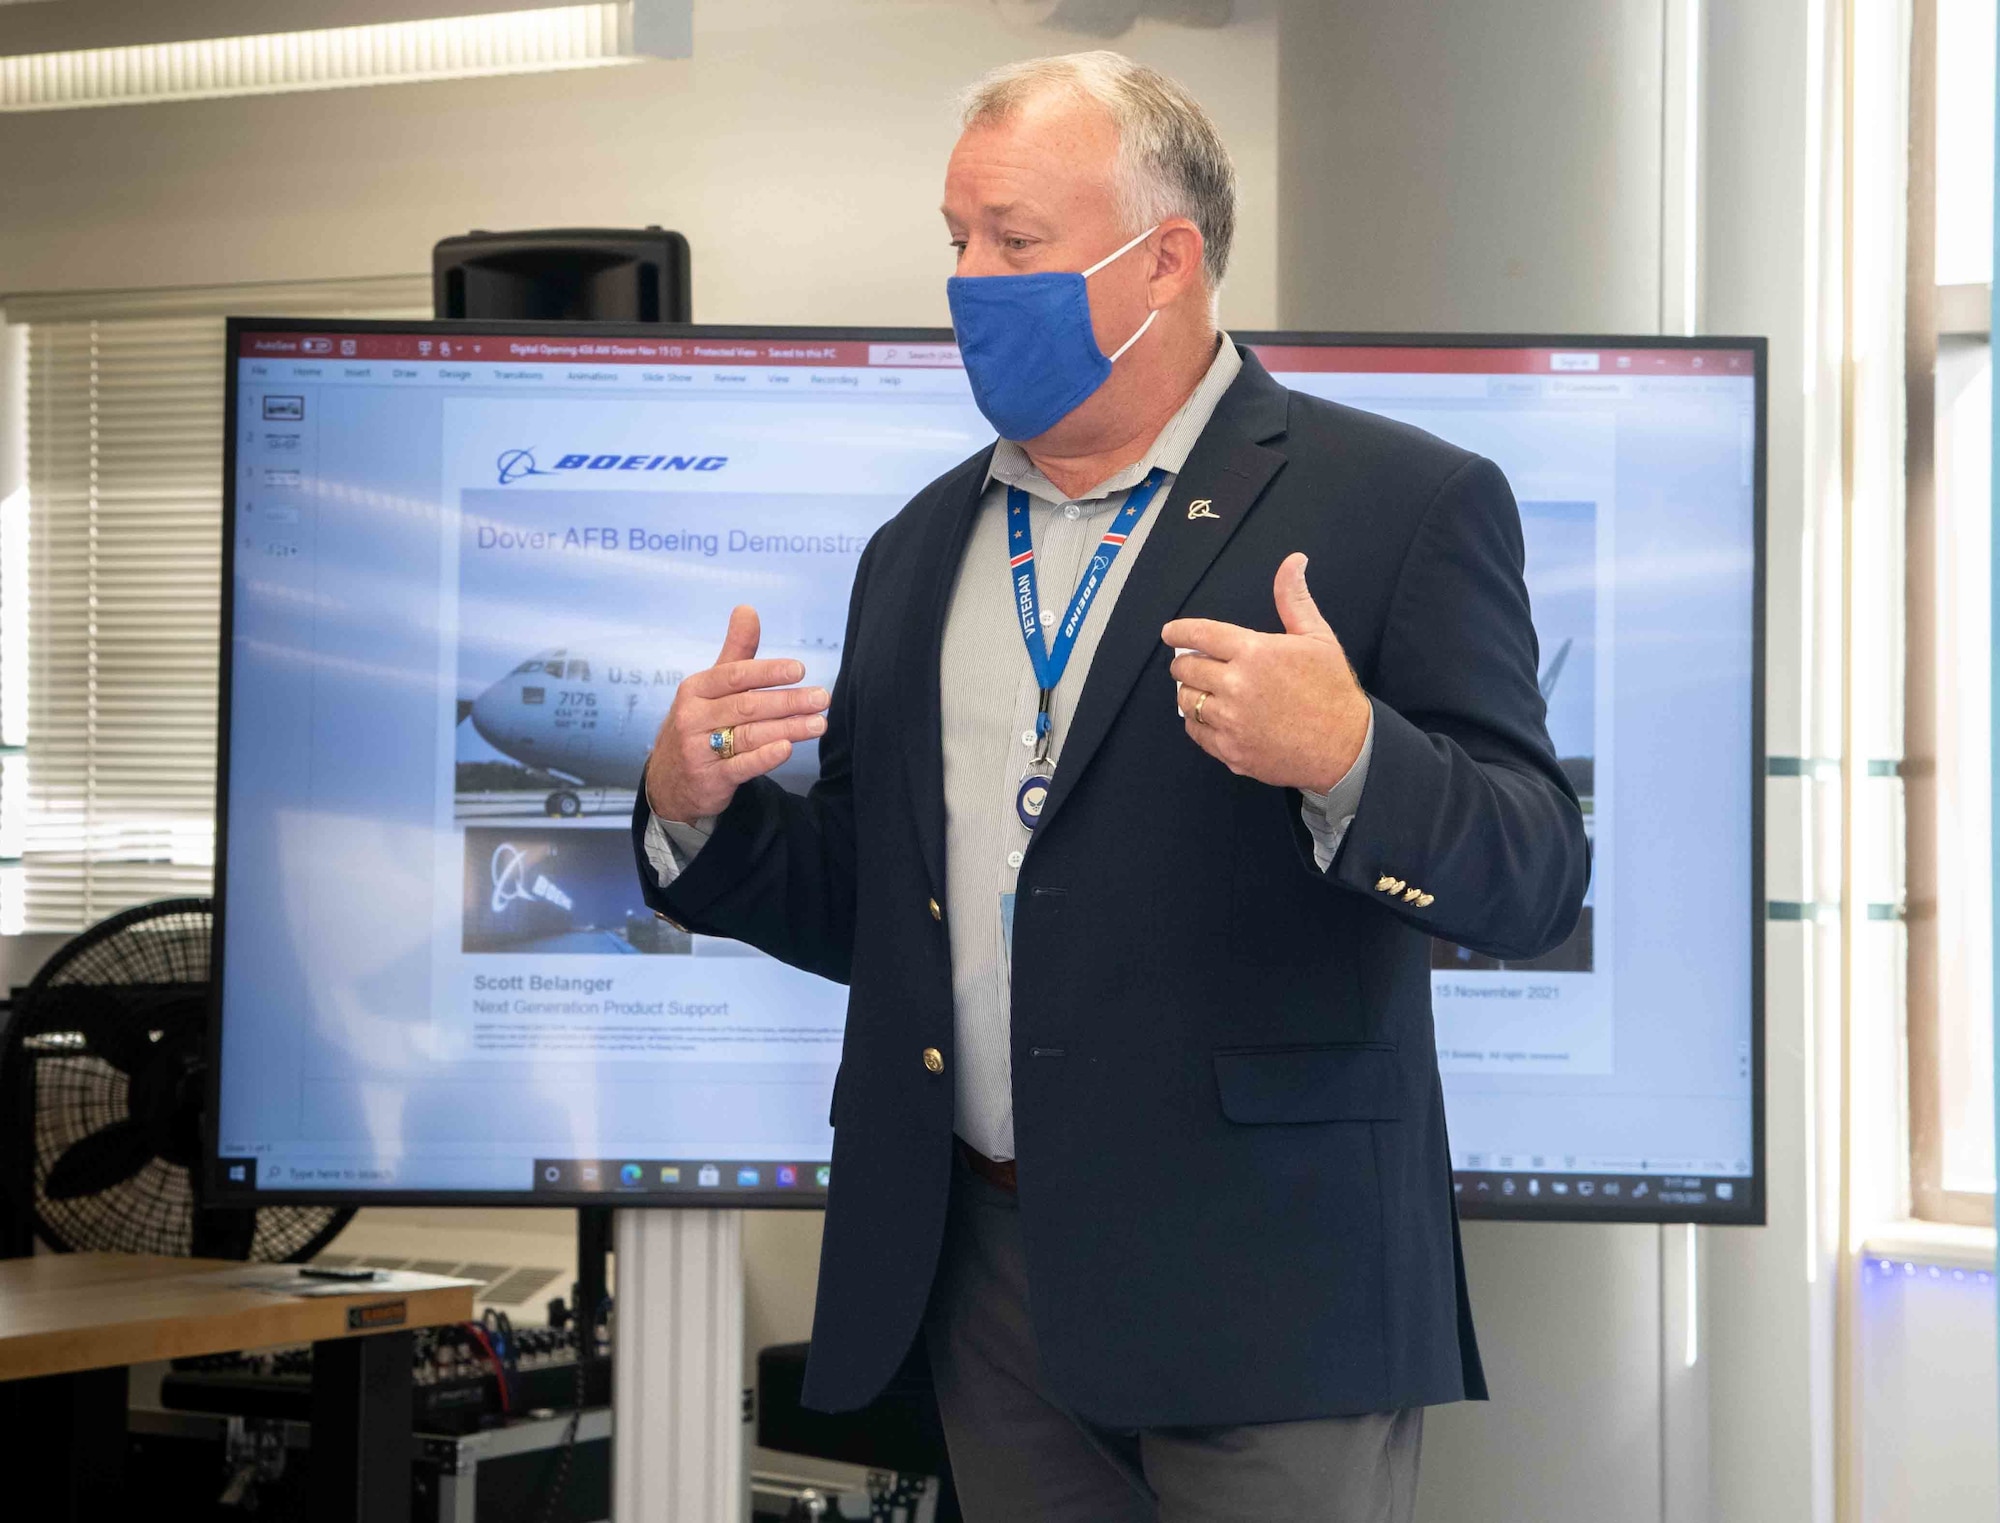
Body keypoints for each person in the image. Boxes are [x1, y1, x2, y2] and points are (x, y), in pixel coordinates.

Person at [633, 50, 1589, 1523]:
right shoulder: (918, 546)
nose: (968, 280)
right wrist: (698, 808)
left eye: (1014, 244)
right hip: (989, 1275)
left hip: (1272, 1290)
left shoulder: (1402, 502)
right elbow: (889, 910)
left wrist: (1349, 757)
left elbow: (1535, 871)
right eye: (955, 241)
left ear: (1168, 259)